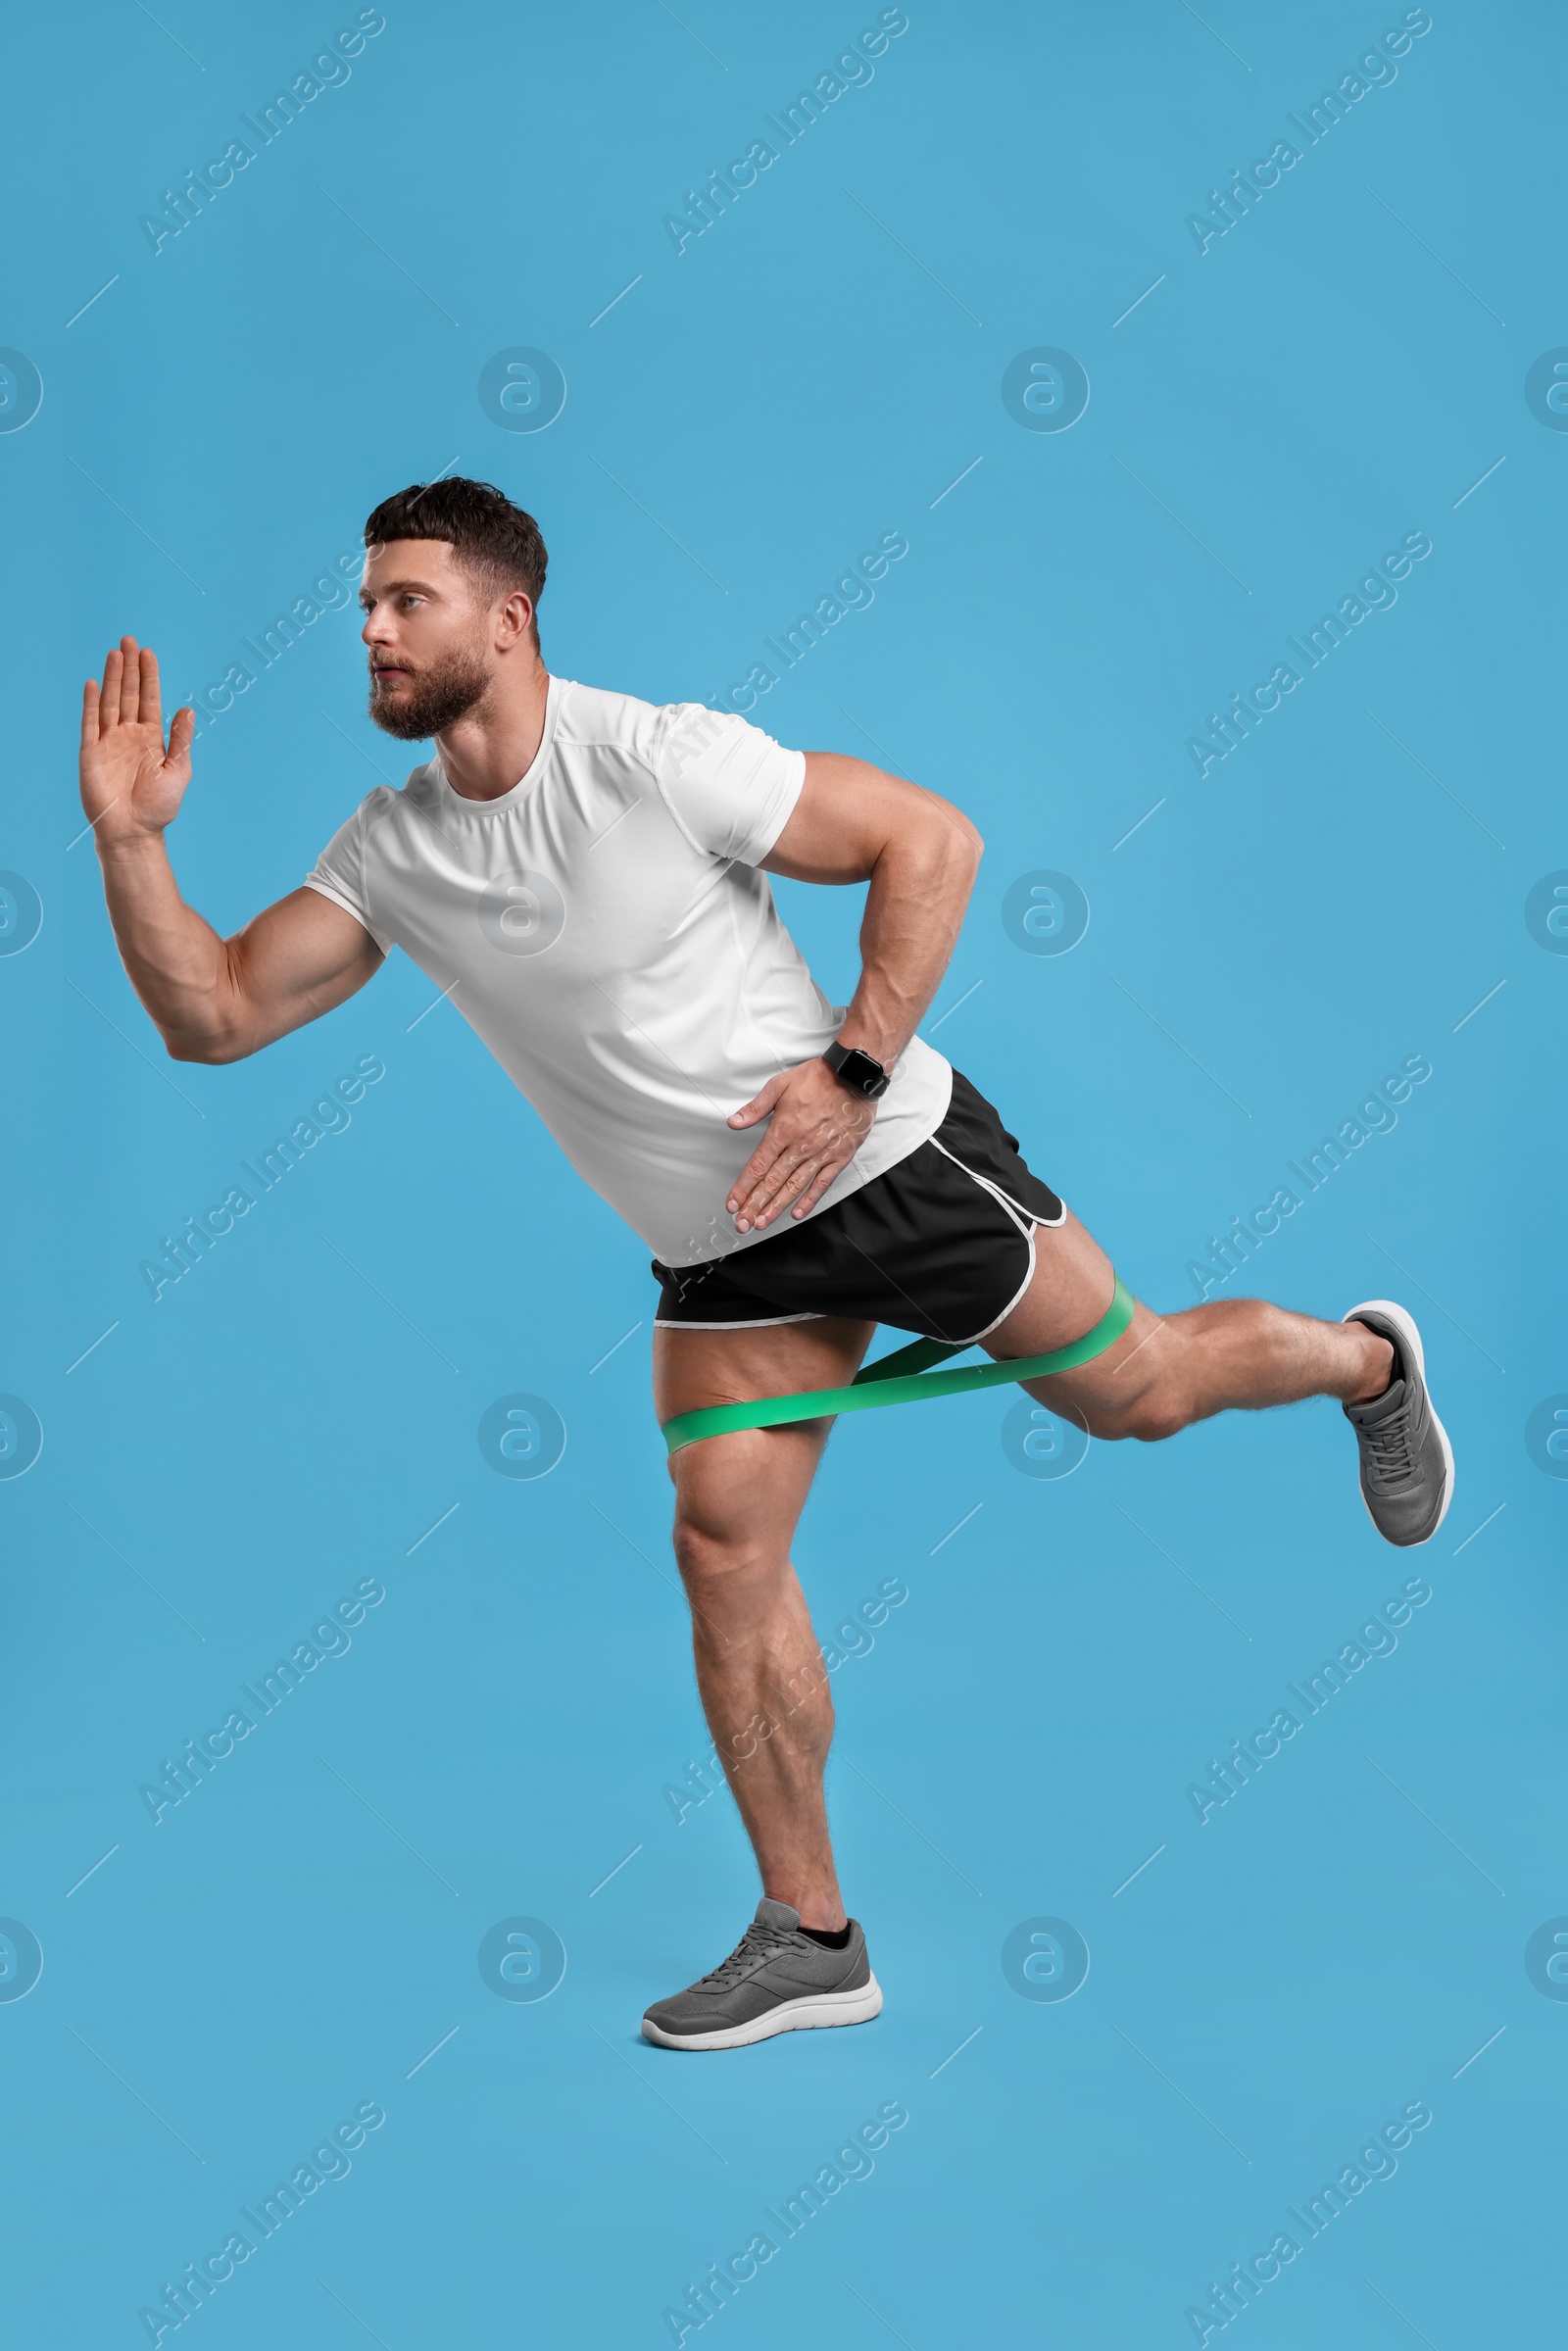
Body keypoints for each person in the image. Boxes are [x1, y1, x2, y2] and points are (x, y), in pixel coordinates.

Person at [80, 478, 1453, 2054]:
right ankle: (812, 1934)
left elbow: (928, 839)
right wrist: (128, 843)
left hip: (884, 1164)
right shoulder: (391, 852)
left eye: (407, 602)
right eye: (368, 607)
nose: (373, 632)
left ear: (507, 617)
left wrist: (855, 1067)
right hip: (725, 1256)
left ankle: (1369, 1362)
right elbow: (217, 1014)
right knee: (723, 1550)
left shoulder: (655, 758)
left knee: (1139, 1392)